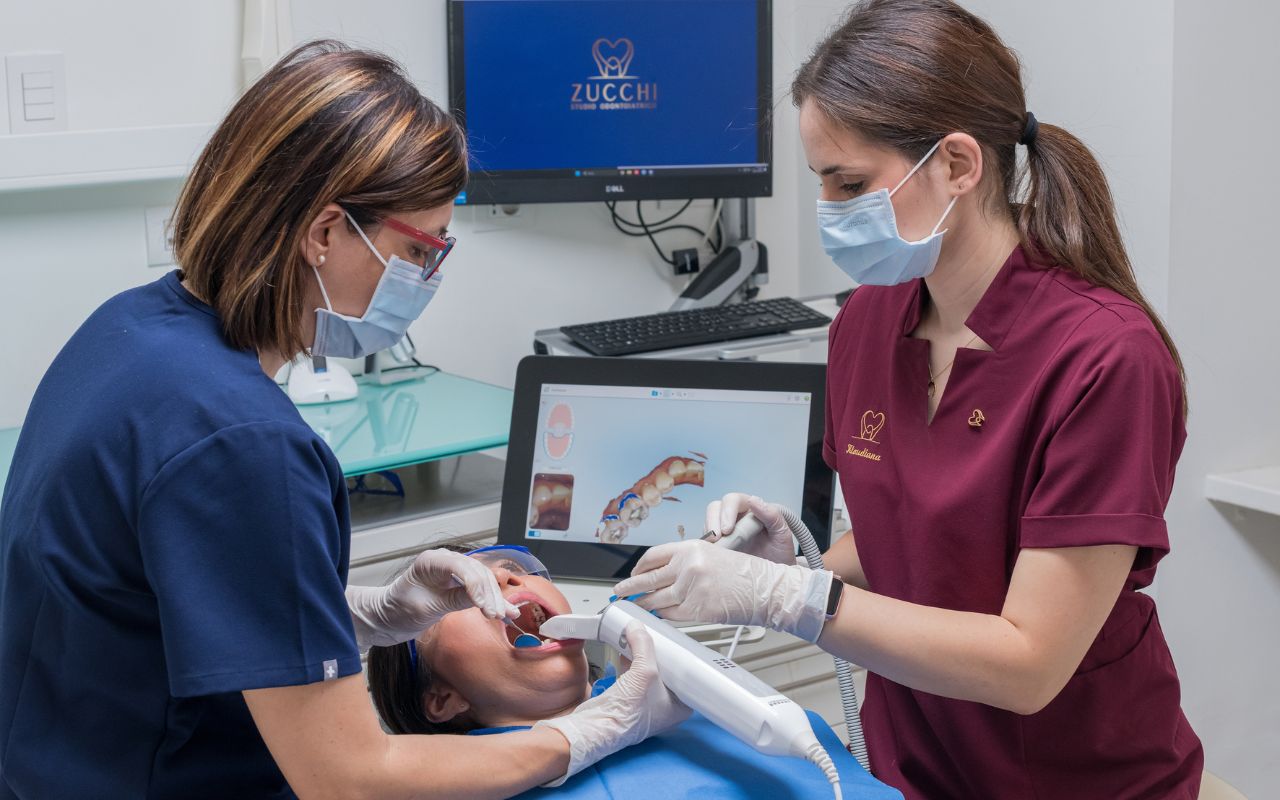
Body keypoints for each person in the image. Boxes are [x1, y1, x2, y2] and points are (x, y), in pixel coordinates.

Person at [0, 41, 683, 799]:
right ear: (324, 233)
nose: (429, 280)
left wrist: (368, 613)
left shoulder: (124, 330)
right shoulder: (245, 445)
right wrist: (593, 729)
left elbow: (147, 608)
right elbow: (349, 778)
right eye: (420, 251)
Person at [614, 2, 1204, 798]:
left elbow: (1030, 662)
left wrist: (795, 599)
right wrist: (795, 562)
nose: (828, 210)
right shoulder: (865, 322)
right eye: (820, 181)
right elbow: (911, 535)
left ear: (959, 165)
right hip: (908, 766)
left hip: (1073, 773)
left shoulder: (1105, 357)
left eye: (849, 183)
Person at [365, 544, 902, 800]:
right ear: (440, 698)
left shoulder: (677, 696)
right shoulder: (458, 787)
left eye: (514, 569)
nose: (504, 582)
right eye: (462, 594)